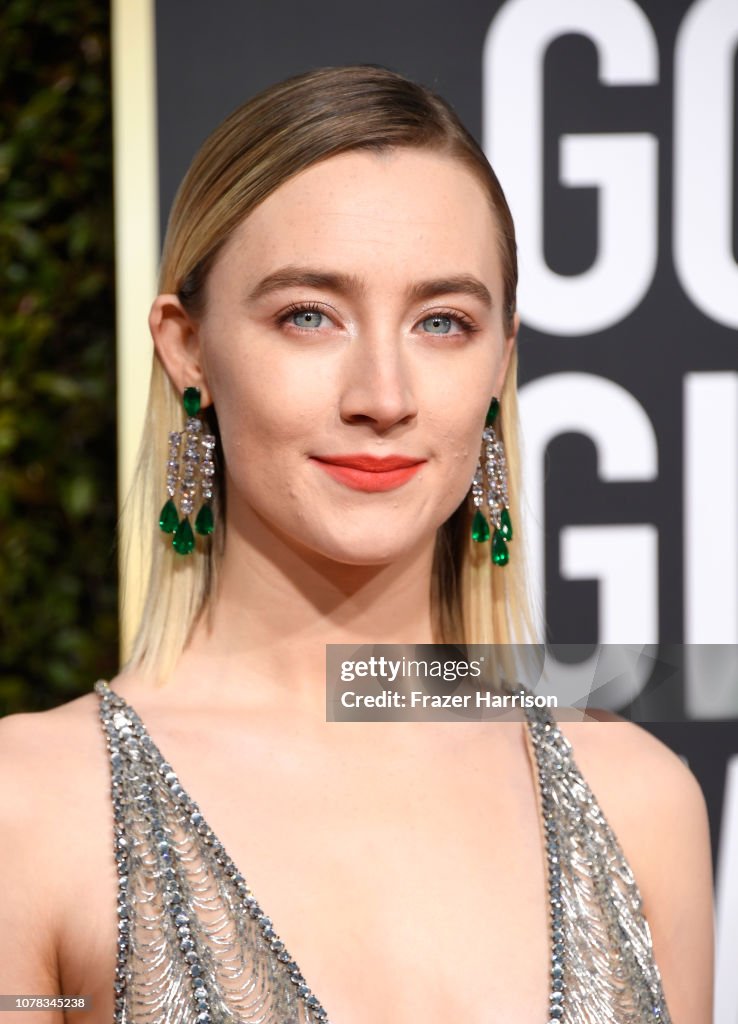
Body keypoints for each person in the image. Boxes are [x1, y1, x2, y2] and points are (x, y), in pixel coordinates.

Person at [0, 65, 713, 1024]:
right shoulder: (30, 810)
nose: (382, 394)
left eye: (443, 323)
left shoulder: (641, 803)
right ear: (187, 347)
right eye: (309, 314)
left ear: (501, 365)